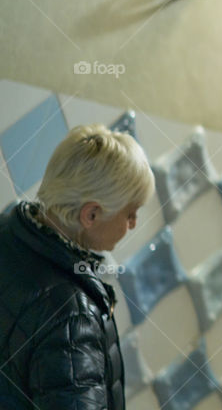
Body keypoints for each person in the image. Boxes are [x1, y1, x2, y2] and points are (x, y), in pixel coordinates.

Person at [0, 124, 154, 409]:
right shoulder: (72, 316)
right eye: (130, 213)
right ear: (91, 214)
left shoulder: (8, 230)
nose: (133, 225)